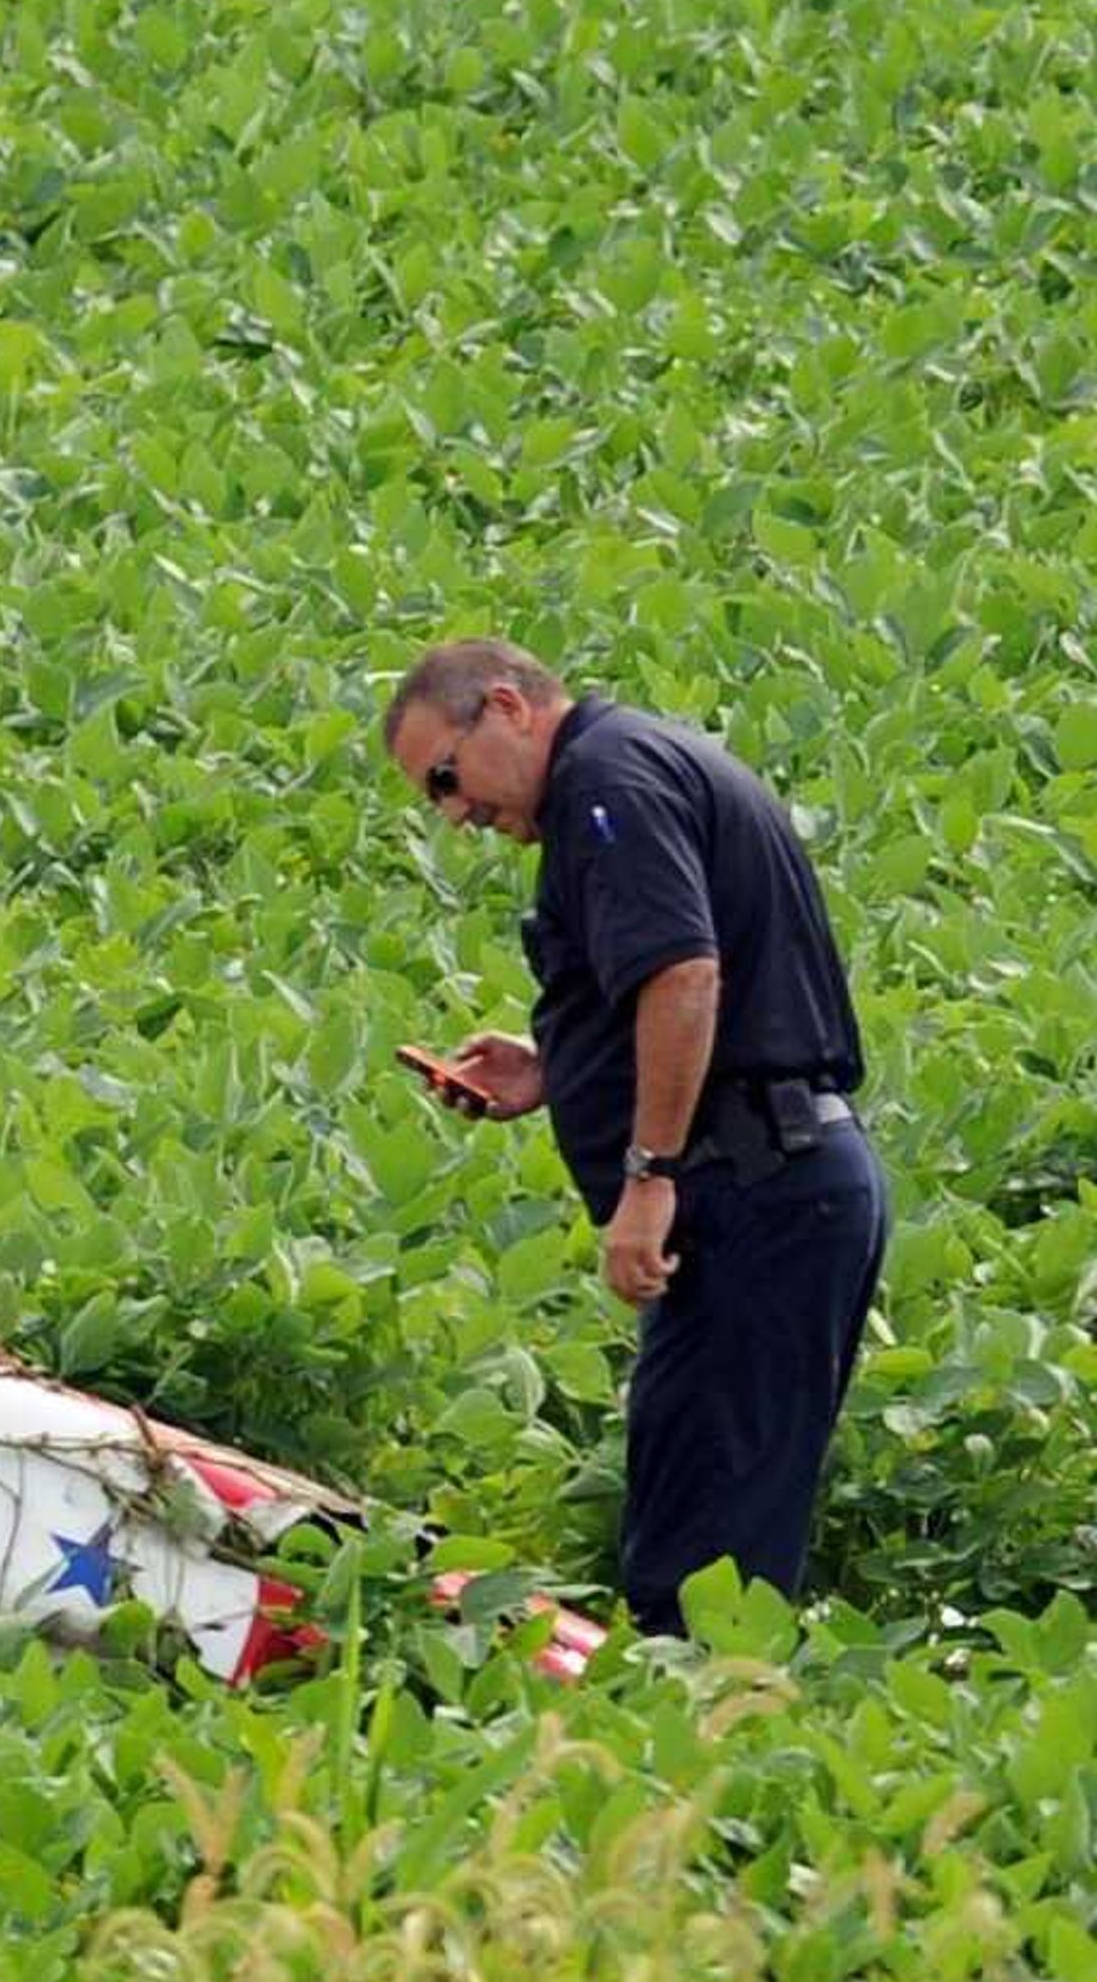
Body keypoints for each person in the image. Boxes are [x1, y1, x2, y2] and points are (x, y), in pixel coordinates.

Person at [381, 638, 891, 1635]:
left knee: (706, 1558)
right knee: (690, 1516)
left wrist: (647, 1173)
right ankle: (697, 1745)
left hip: (757, 1183)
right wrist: (555, 1064)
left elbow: (684, 974)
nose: (454, 813)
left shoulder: (605, 785)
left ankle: (712, 1761)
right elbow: (709, 981)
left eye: (446, 776)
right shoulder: (634, 766)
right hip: (771, 1177)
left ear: (506, 707)